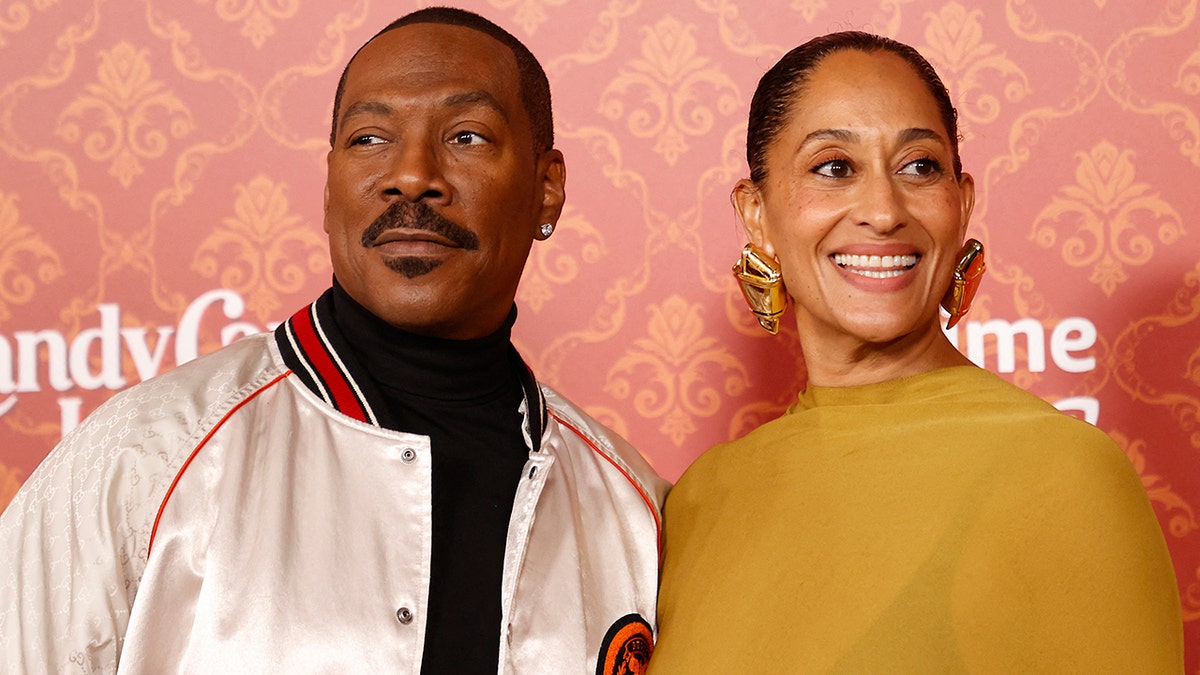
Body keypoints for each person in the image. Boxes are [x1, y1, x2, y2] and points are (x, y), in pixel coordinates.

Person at [0, 8, 666, 674]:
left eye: (466, 135)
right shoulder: (148, 453)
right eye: (370, 138)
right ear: (327, 188)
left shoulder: (632, 507)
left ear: (547, 188)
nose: (412, 174)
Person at [649, 31, 1182, 672]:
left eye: (919, 167)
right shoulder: (700, 500)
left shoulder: (1061, 473)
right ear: (756, 212)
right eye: (834, 168)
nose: (882, 211)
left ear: (962, 204)